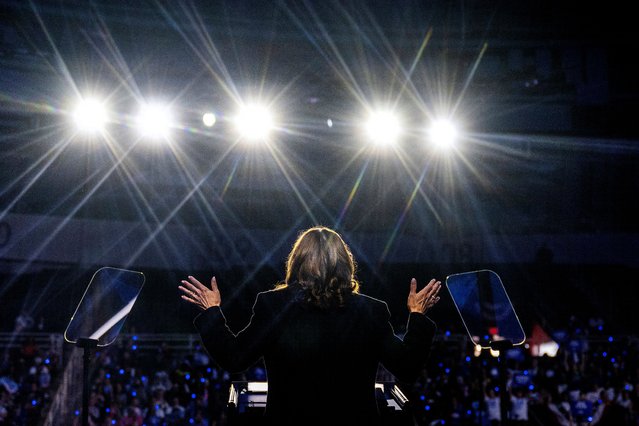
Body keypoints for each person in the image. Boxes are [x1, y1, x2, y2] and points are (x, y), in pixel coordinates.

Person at [179, 225, 441, 426]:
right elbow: (407, 367)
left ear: (297, 262)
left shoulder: (273, 304)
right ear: (345, 264)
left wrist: (212, 310)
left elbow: (235, 357)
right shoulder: (371, 310)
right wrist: (416, 315)